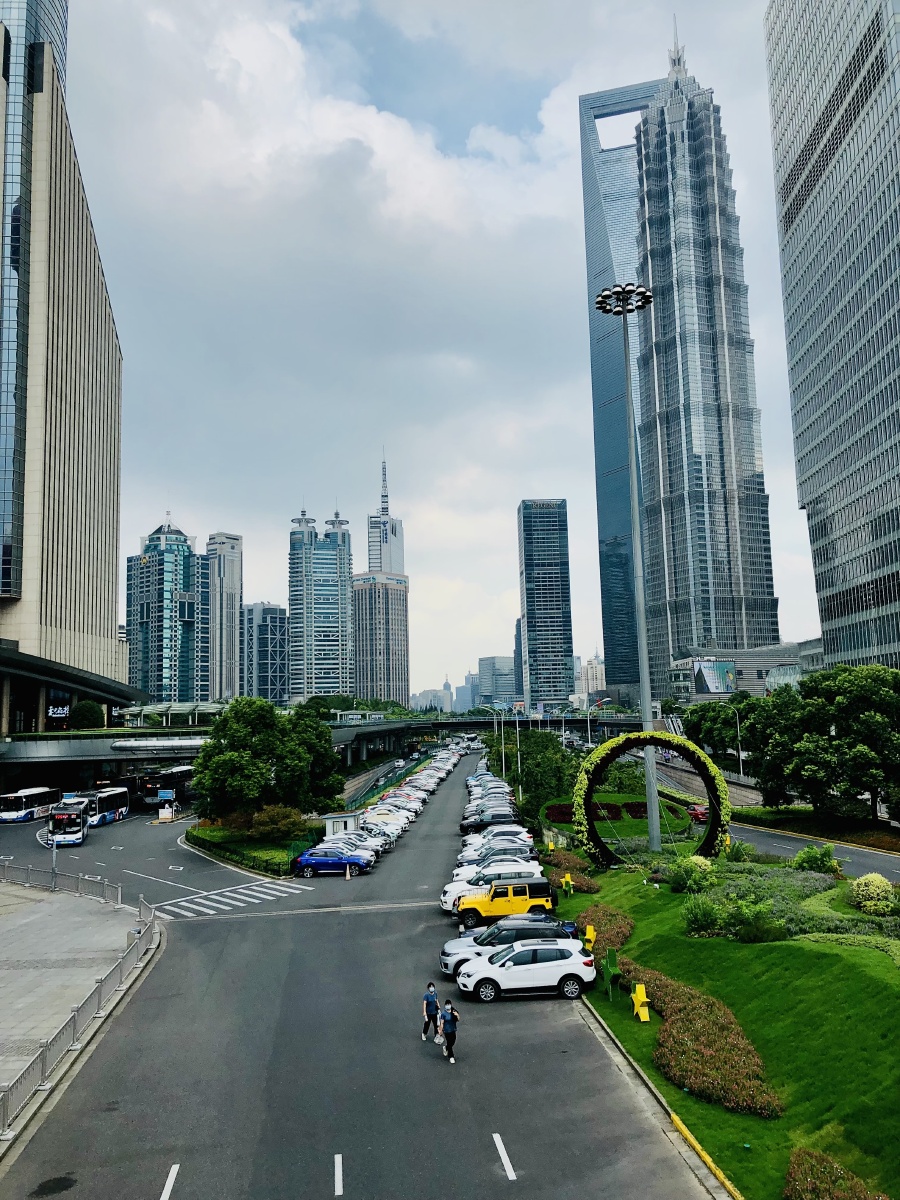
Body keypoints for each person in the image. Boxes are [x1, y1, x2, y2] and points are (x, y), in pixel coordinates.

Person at [439, 999, 460, 1064]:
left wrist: (457, 1015)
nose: (448, 1006)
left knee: (453, 1041)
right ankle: (451, 1056)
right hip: (447, 1030)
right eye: (447, 1004)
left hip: (453, 1029)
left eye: (449, 1004)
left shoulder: (453, 1011)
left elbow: (458, 1019)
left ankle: (446, 1047)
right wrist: (440, 1030)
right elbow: (442, 1022)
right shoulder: (443, 1013)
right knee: (449, 1042)